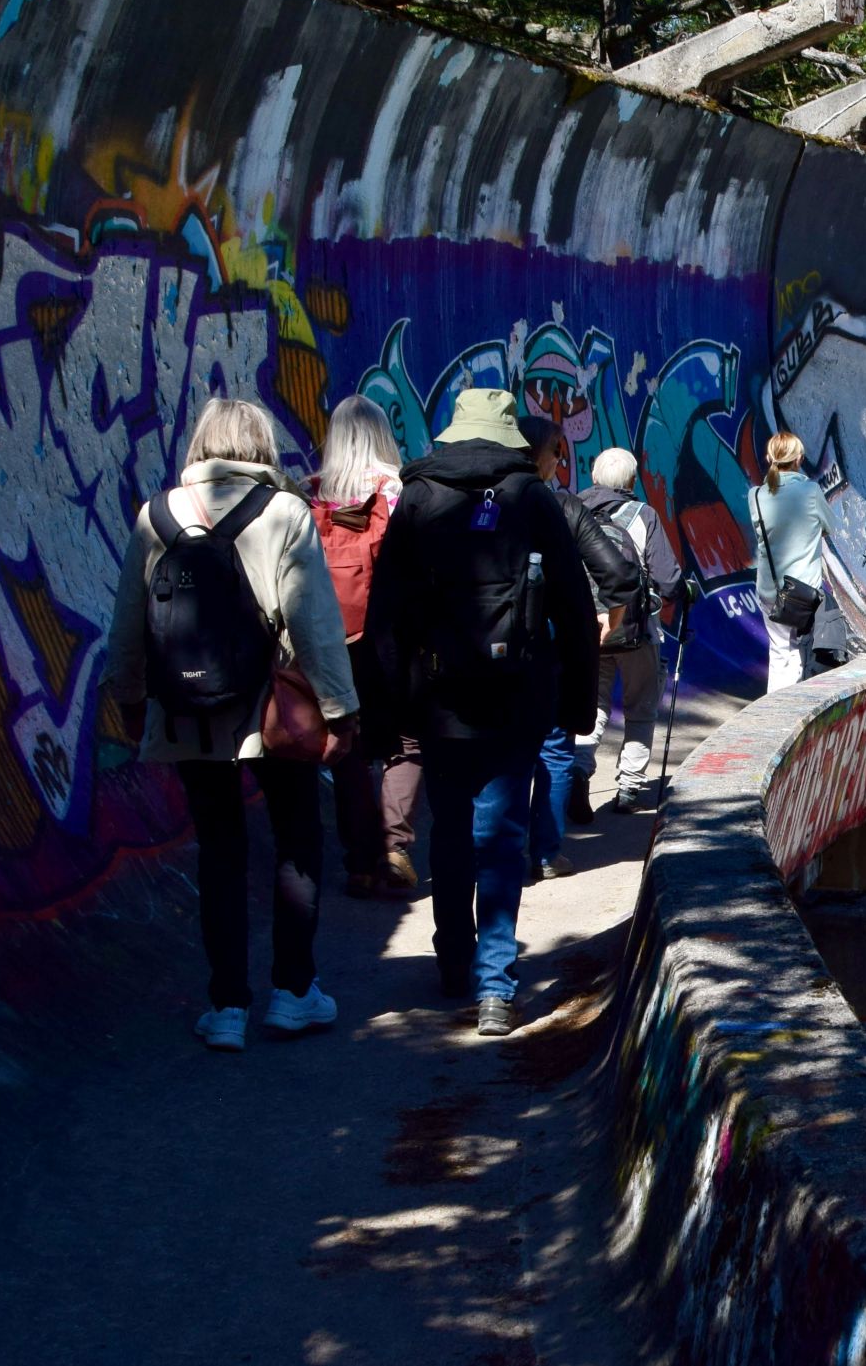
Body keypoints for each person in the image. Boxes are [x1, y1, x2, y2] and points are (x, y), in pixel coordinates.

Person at [104, 397, 358, 1053]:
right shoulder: (283, 513)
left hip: (189, 714)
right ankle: (293, 991)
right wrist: (339, 709)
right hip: (272, 712)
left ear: (202, 444)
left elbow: (129, 621)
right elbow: (315, 625)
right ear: (261, 444)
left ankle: (224, 1006)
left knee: (219, 849)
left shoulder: (156, 516)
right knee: (297, 838)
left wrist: (130, 699)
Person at [366, 388, 597, 1038]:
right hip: (517, 694)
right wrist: (578, 703)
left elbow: (387, 615)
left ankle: (453, 959)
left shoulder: (417, 497)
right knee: (501, 833)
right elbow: (574, 606)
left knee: (450, 829)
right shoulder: (532, 498)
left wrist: (384, 711)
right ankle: (495, 985)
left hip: (439, 699)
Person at [517, 414, 641, 883]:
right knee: (552, 748)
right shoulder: (562, 507)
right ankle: (546, 852)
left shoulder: (477, 500)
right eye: (558, 453)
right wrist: (611, 616)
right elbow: (619, 573)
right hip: (549, 645)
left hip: (487, 651)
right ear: (545, 456)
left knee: (504, 751)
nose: (562, 462)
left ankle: (499, 853)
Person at [309, 394, 418, 900]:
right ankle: (396, 846)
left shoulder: (313, 499)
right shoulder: (398, 492)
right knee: (407, 741)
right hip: (392, 637)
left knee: (346, 744)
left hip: (331, 642)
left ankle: (359, 863)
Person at [580, 446, 684, 811]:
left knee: (592, 706)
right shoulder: (644, 516)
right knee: (641, 707)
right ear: (630, 480)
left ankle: (578, 770)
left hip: (588, 631)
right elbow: (669, 580)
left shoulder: (572, 511)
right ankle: (629, 787)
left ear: (594, 478)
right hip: (636, 630)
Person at [752, 432, 829, 689]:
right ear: (799, 458)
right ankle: (791, 709)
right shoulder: (811, 490)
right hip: (803, 590)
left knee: (780, 652)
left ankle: (775, 709)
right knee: (798, 652)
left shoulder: (756, 495)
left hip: (769, 589)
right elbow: (829, 526)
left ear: (768, 457)